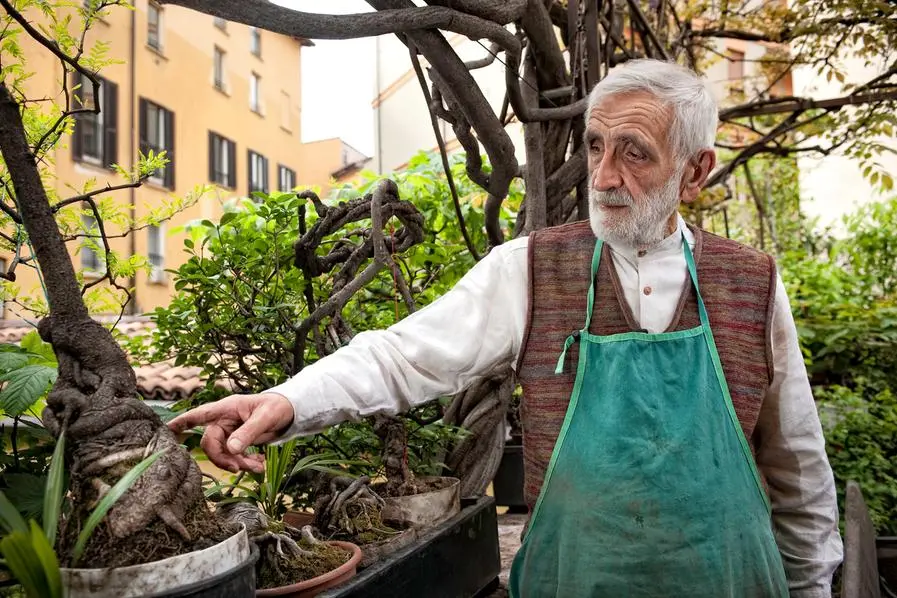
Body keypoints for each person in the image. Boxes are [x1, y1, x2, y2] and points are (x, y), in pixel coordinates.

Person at [169, 59, 843, 597]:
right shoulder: (531, 266)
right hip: (572, 579)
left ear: (694, 172)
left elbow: (797, 466)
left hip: (726, 580)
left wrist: (810, 586)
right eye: (595, 145)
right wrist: (285, 402)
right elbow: (404, 357)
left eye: (634, 153)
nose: (602, 176)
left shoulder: (751, 283)